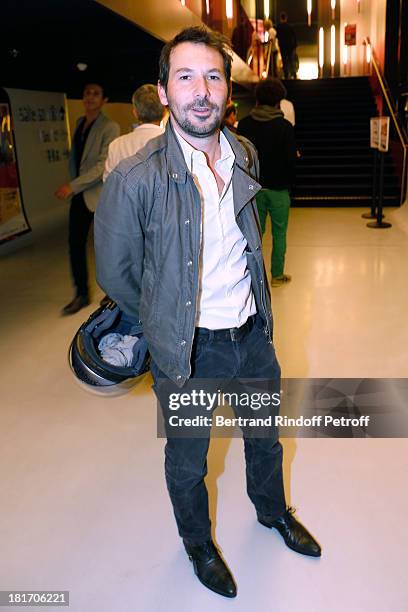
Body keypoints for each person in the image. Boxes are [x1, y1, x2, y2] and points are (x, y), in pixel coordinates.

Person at [94, 27, 320, 599]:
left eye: (213, 76)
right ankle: (198, 544)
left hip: (251, 335)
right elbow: (118, 276)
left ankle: (271, 513)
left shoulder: (243, 151)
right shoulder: (134, 176)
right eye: (186, 76)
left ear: (228, 89)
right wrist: (167, 322)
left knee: (265, 438)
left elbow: (247, 238)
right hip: (188, 351)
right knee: (189, 460)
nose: (202, 90)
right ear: (165, 92)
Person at [55, 83, 120, 315]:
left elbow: (102, 165)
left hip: (100, 195)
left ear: (104, 100)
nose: (90, 98)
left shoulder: (109, 127)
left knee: (106, 247)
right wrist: (75, 186)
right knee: (75, 244)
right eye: (86, 93)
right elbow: (77, 159)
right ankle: (81, 293)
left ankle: (113, 292)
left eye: (95, 94)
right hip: (80, 195)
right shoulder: (80, 123)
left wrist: (72, 186)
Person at [238, 78, 296, 287]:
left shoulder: (244, 124)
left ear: (258, 99)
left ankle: (252, 277)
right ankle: (277, 276)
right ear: (278, 101)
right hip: (279, 190)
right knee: (279, 233)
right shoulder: (285, 127)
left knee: (254, 235)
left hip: (252, 190)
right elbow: (291, 161)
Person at [103, 84, 164, 180]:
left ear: (135, 113)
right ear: (164, 112)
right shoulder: (177, 143)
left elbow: (109, 184)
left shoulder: (116, 145)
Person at [276, 12, 297, 79]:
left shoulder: (278, 27)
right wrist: (295, 45)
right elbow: (294, 36)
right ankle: (293, 74)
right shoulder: (290, 26)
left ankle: (286, 75)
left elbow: (277, 36)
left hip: (282, 46)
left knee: (284, 61)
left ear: (280, 18)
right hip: (290, 46)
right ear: (286, 18)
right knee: (291, 60)